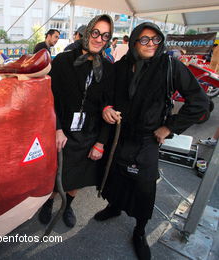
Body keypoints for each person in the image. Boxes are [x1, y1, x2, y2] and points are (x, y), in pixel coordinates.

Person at [96, 22, 210, 260]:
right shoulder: (120, 67)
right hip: (120, 137)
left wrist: (170, 127)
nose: (150, 44)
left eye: (155, 39)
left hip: (148, 140)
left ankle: (139, 230)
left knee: (144, 187)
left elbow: (199, 102)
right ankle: (114, 207)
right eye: (144, 39)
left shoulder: (170, 66)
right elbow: (105, 94)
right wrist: (106, 107)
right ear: (134, 42)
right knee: (115, 177)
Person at [38, 15, 114, 228]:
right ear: (88, 32)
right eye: (96, 33)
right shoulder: (63, 60)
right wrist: (57, 128)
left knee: (78, 177)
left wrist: (100, 142)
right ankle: (48, 203)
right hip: (63, 130)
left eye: (105, 35)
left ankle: (67, 205)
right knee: (56, 174)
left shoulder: (108, 69)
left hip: (89, 133)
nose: (99, 39)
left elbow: (109, 104)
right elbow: (48, 97)